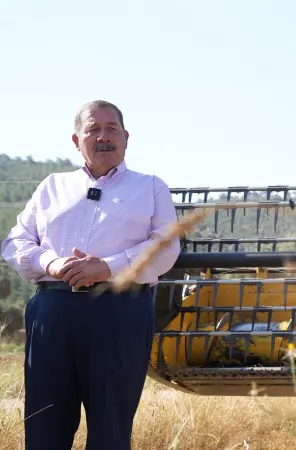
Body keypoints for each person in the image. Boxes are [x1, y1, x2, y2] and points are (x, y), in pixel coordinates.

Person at [0, 100, 182, 449]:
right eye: (93, 130)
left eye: (111, 129)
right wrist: (51, 263)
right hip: (53, 311)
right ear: (76, 139)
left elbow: (166, 247)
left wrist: (108, 266)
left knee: (110, 429)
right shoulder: (52, 186)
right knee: (44, 425)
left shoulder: (150, 187)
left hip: (120, 311)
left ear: (126, 137)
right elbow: (16, 241)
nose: (103, 137)